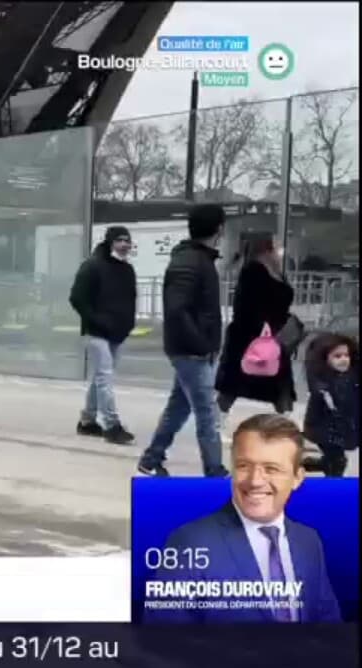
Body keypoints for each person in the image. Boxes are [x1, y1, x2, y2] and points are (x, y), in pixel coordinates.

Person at [143, 414, 341, 624]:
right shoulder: (190, 542)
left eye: (271, 469)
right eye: (244, 466)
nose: (255, 481)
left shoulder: (308, 541)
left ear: (297, 478)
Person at [137, 204, 228, 477]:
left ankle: (151, 459)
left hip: (194, 349)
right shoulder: (190, 261)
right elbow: (177, 308)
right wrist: (200, 344)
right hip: (191, 351)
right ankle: (215, 471)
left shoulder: (198, 259)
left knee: (178, 408)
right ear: (219, 228)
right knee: (207, 414)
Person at [215, 235, 297, 437]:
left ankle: (287, 423)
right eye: (275, 245)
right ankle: (216, 421)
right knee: (235, 383)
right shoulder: (253, 270)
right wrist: (263, 326)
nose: (279, 249)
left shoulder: (273, 270)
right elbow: (248, 306)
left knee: (279, 381)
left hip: (272, 335)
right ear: (265, 248)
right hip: (253, 336)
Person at [70, 226, 138, 445]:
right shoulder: (92, 266)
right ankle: (111, 425)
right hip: (96, 332)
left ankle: (88, 421)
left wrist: (128, 324)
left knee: (100, 377)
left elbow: (130, 300)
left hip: (117, 333)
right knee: (105, 377)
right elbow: (77, 298)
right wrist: (96, 320)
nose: (125, 245)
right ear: (110, 242)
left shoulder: (127, 270)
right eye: (120, 240)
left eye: (128, 241)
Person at [303, 333, 359, 476]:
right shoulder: (323, 384)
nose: (343, 360)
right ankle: (331, 487)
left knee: (334, 460)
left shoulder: (351, 376)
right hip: (325, 431)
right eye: (337, 356)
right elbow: (317, 410)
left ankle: (312, 464)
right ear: (325, 359)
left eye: (346, 356)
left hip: (342, 429)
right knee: (338, 462)